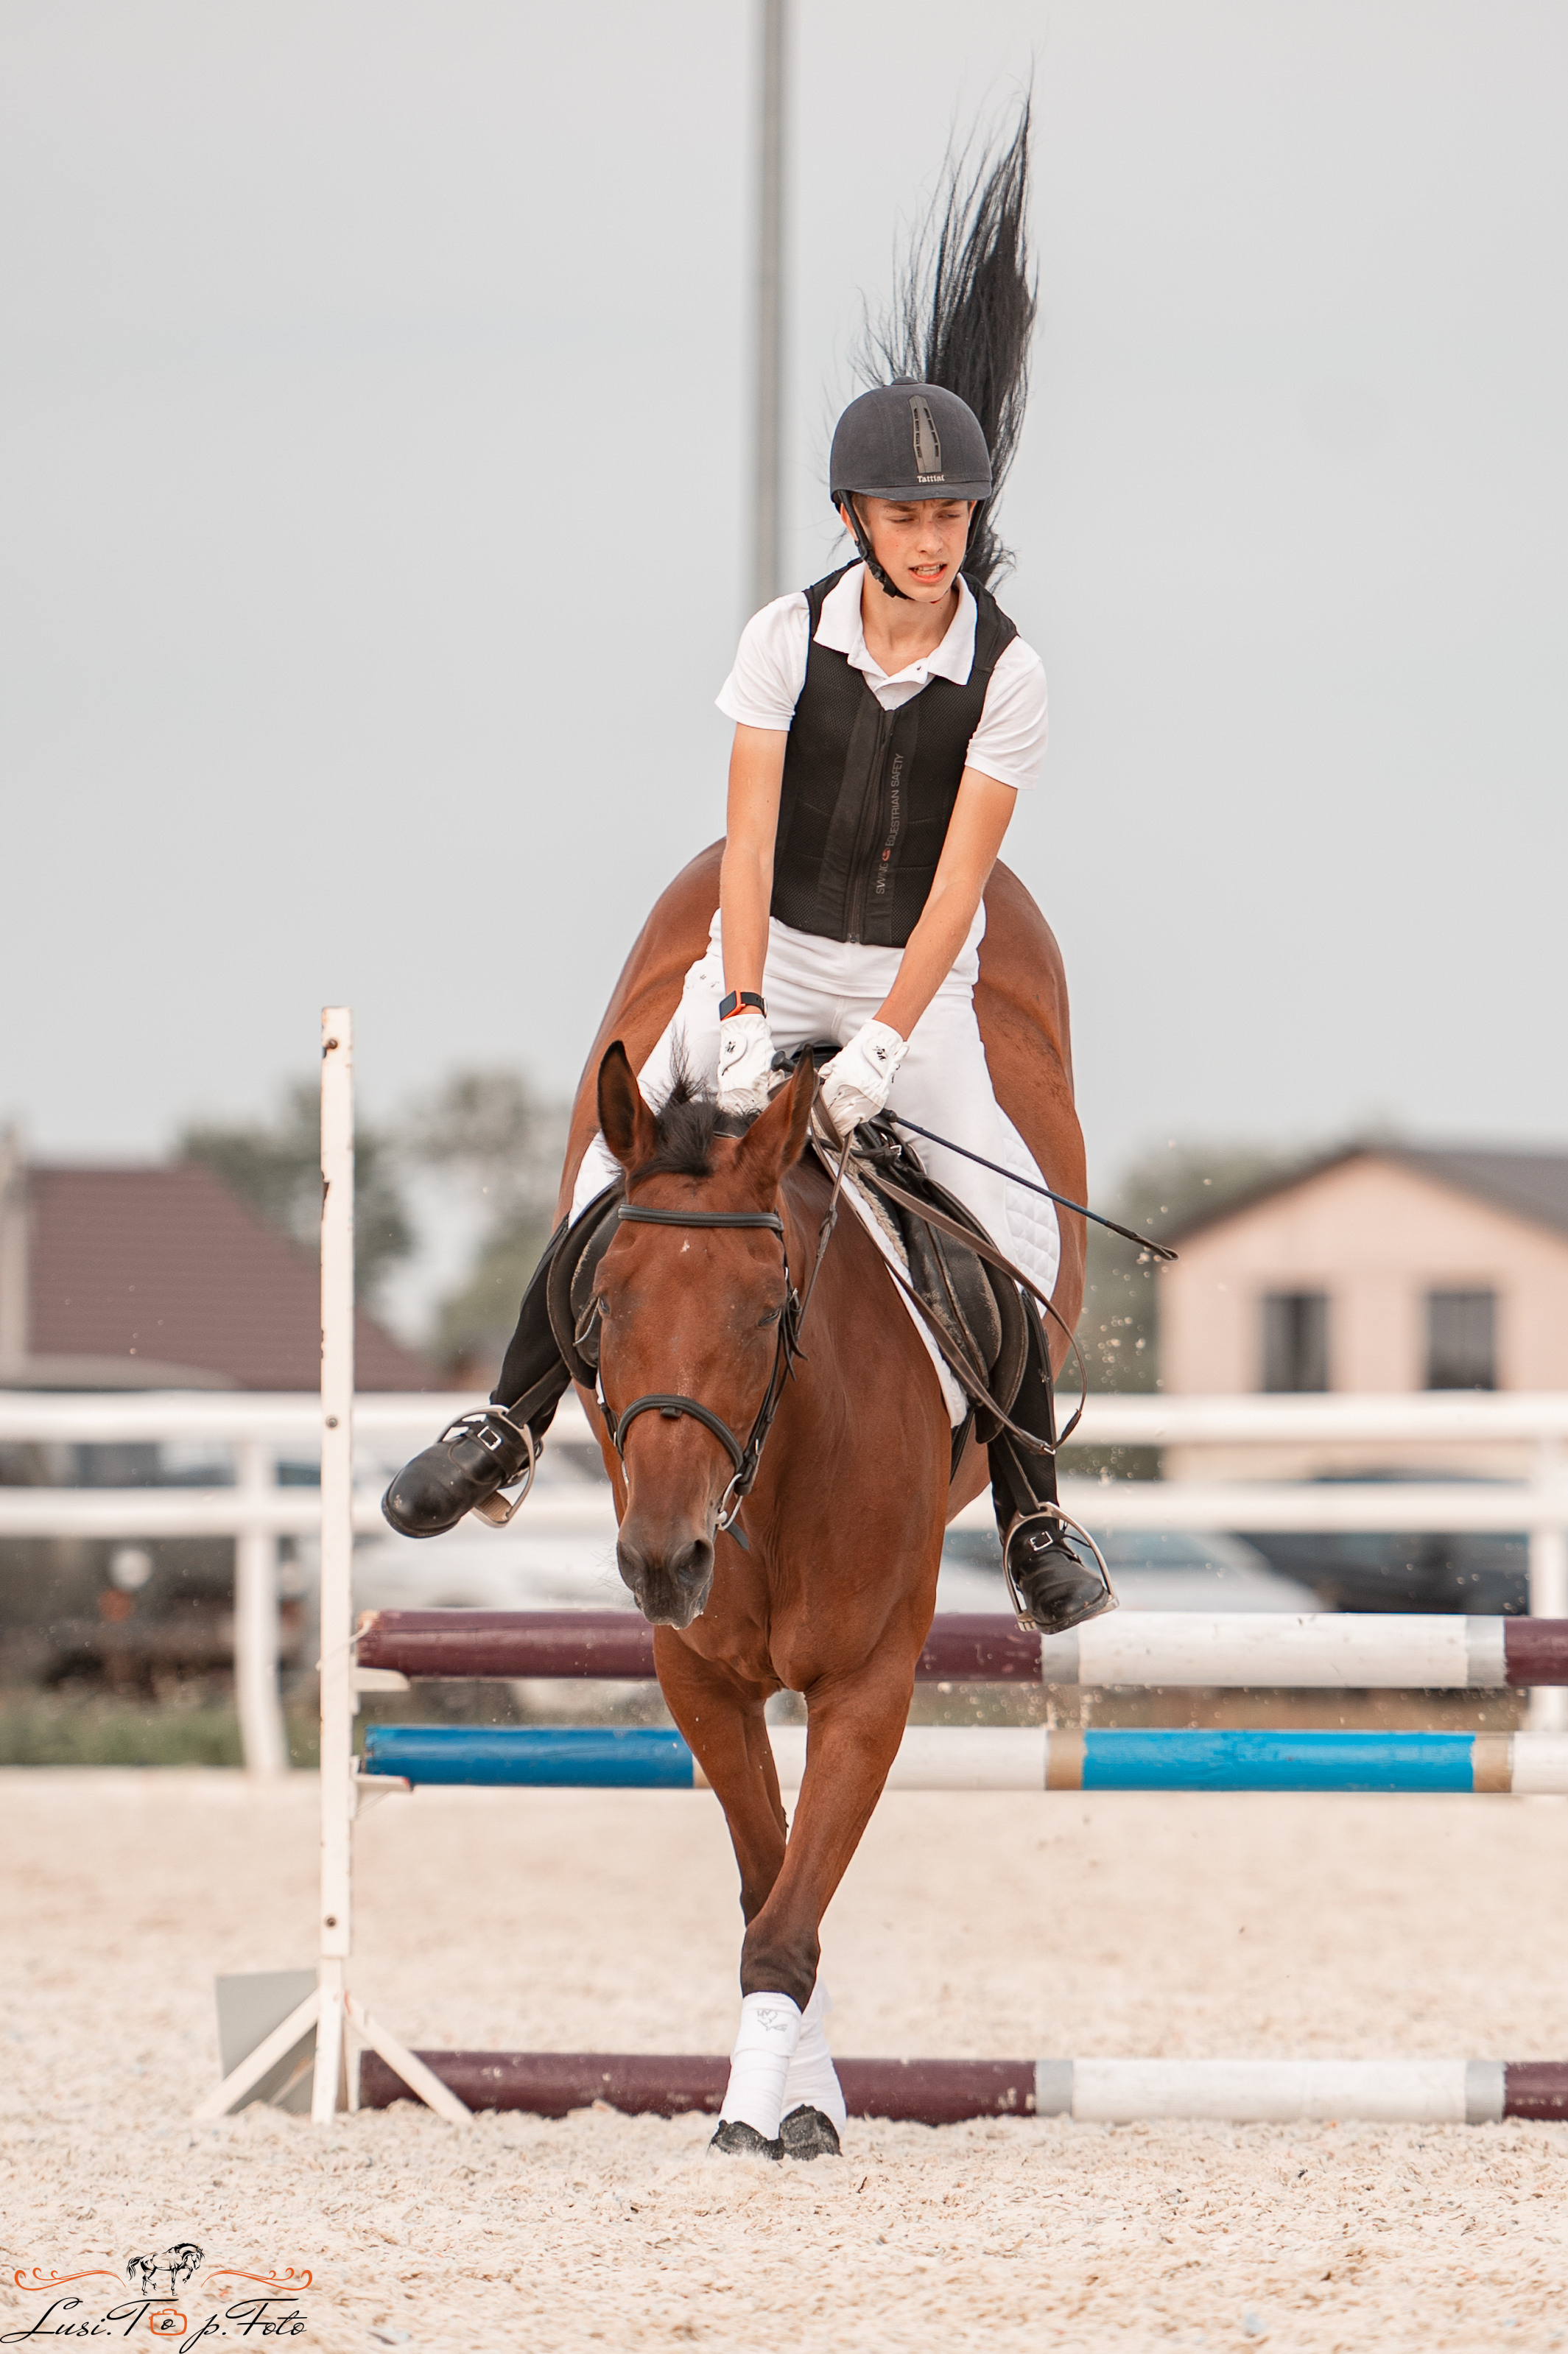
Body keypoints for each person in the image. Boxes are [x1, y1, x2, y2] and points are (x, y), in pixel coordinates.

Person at [382, 127, 1114, 1635]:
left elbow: (965, 881)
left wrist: (891, 1046)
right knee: (614, 1181)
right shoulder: (783, 640)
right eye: (909, 517)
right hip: (765, 956)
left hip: (923, 986)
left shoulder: (1014, 676)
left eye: (954, 517)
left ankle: (1035, 1504)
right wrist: (738, 1007)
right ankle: (506, 1418)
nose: (935, 539)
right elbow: (750, 835)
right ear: (858, 520)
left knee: (1008, 1227)